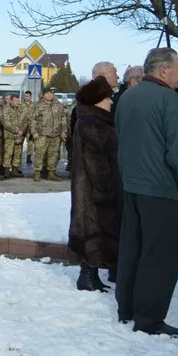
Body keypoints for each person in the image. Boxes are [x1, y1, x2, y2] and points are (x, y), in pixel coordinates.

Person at [115, 48, 178, 337]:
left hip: (133, 187)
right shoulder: (173, 104)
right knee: (160, 257)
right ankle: (149, 319)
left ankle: (127, 307)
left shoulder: (128, 97)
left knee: (133, 250)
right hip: (164, 192)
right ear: (163, 70)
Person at [68, 77, 121, 292]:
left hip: (88, 187)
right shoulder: (93, 123)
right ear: (98, 100)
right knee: (92, 228)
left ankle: (91, 275)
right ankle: (87, 276)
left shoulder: (95, 120)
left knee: (92, 229)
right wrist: (106, 188)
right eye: (108, 98)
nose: (111, 102)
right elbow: (96, 162)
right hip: (92, 189)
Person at [31, 88, 68, 182]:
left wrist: (64, 131)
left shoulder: (58, 105)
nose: (49, 95)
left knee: (54, 155)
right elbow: (32, 120)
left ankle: (51, 173)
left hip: (56, 134)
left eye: (51, 93)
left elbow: (63, 118)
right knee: (39, 154)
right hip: (42, 134)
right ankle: (37, 173)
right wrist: (34, 132)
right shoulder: (38, 105)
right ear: (43, 95)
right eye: (47, 93)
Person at [0, 94, 24, 178]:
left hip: (19, 135)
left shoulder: (20, 109)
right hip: (10, 135)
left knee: (17, 153)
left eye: (18, 100)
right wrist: (16, 130)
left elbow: (24, 120)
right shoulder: (6, 109)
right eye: (15, 100)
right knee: (8, 153)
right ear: (10, 100)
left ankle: (15, 170)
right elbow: (6, 123)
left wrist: (21, 130)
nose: (17, 102)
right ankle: (6, 172)